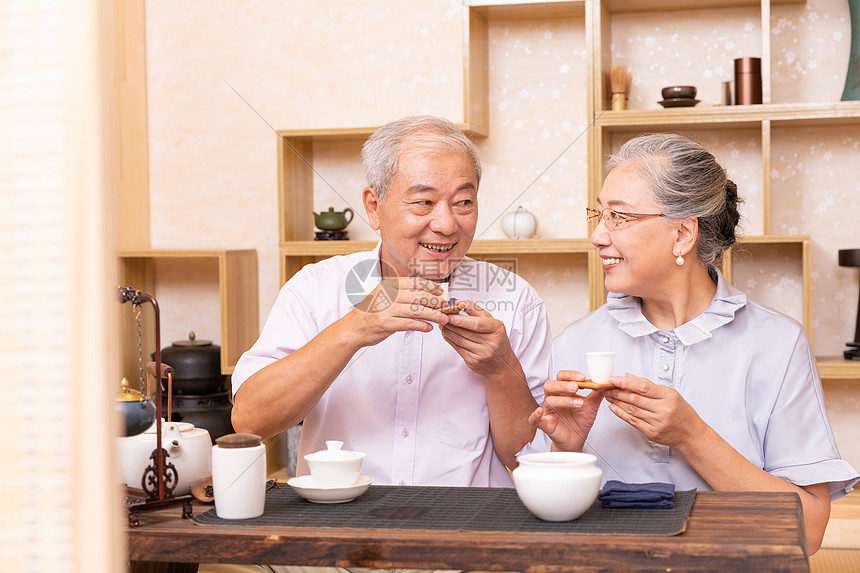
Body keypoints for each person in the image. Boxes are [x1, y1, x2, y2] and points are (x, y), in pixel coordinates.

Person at [526, 132, 859, 554]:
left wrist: (691, 435)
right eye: (599, 214)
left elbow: (808, 531)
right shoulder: (577, 342)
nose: (597, 235)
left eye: (619, 217)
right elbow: (545, 530)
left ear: (683, 234)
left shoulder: (777, 344)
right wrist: (565, 449)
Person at [231, 115, 552, 487]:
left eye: (463, 202)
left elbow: (529, 461)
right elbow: (250, 421)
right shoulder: (315, 289)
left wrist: (500, 371)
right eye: (424, 202)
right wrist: (353, 328)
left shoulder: (515, 300)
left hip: (465, 526)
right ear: (373, 206)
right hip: (340, 523)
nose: (446, 224)